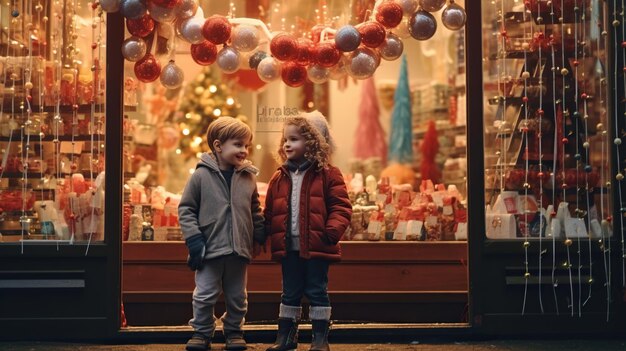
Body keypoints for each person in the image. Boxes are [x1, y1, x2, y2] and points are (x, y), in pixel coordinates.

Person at [264, 112, 352, 351]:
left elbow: (341, 207)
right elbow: (270, 211)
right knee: (289, 291)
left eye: (294, 139)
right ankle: (286, 337)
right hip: (288, 246)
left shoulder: (329, 175)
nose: (287, 144)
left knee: (316, 290)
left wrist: (331, 232)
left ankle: (320, 338)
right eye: (285, 139)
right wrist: (263, 233)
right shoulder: (279, 177)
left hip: (317, 245)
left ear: (313, 142)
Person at [178, 117, 265, 351]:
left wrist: (258, 234)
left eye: (246, 146)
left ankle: (234, 331)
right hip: (209, 248)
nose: (244, 150)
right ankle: (202, 332)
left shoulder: (248, 177)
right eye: (238, 145)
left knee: (237, 296)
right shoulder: (200, 176)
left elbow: (255, 208)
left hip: (239, 249)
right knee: (205, 294)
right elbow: (186, 209)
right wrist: (194, 239)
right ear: (218, 146)